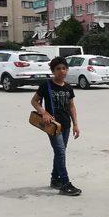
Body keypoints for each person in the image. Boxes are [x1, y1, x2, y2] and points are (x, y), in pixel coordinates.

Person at [31, 56, 81, 196]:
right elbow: (34, 101)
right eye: (58, 69)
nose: (62, 71)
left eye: (64, 68)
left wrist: (76, 124)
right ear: (53, 71)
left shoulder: (68, 87)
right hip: (53, 126)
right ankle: (65, 183)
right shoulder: (46, 85)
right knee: (60, 152)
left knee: (60, 152)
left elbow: (71, 106)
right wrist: (44, 113)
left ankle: (55, 179)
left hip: (66, 125)